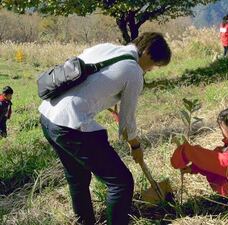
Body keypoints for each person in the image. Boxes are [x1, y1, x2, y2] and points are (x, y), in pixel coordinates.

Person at [39, 32, 171, 225]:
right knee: (121, 183)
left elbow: (86, 79)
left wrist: (104, 97)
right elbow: (127, 123)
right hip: (70, 125)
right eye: (153, 65)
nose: (150, 70)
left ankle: (85, 222)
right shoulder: (134, 72)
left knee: (77, 178)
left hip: (47, 116)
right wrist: (136, 146)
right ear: (148, 53)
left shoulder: (105, 47)